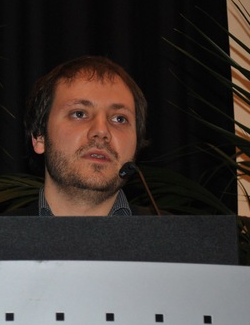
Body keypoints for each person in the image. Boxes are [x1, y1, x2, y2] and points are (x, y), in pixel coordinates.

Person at [16, 55, 152, 216]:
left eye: (119, 119)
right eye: (79, 114)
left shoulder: (173, 231)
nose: (101, 131)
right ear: (40, 137)